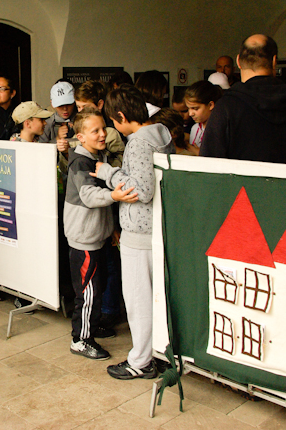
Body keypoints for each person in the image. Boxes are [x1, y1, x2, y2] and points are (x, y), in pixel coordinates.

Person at [95, 86, 174, 380]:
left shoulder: (139, 142)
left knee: (139, 300)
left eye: (113, 121)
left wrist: (108, 173)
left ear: (121, 116)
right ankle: (158, 354)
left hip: (139, 234)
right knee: (156, 300)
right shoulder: (161, 134)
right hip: (156, 229)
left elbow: (142, 189)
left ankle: (140, 361)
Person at [65, 108, 137, 361]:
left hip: (98, 236)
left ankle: (91, 327)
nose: (102, 134)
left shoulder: (98, 156)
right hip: (84, 239)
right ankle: (81, 339)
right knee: (88, 293)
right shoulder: (80, 162)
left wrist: (112, 228)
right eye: (94, 131)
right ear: (80, 137)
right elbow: (89, 196)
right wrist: (115, 195)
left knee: (97, 287)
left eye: (103, 128)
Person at [200, 35, 286, 166]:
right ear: (274, 61)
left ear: (238, 61)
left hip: (241, 180)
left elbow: (208, 165)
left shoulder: (226, 107)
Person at [184, 80, 222, 155]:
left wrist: (197, 152)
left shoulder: (220, 129)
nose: (190, 113)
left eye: (195, 108)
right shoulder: (195, 128)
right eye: (188, 108)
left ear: (210, 105)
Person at [39, 80, 78, 144]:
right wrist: (57, 138)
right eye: (60, 105)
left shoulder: (84, 121)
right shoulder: (46, 124)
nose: (65, 109)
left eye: (68, 104)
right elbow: (41, 148)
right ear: (52, 104)